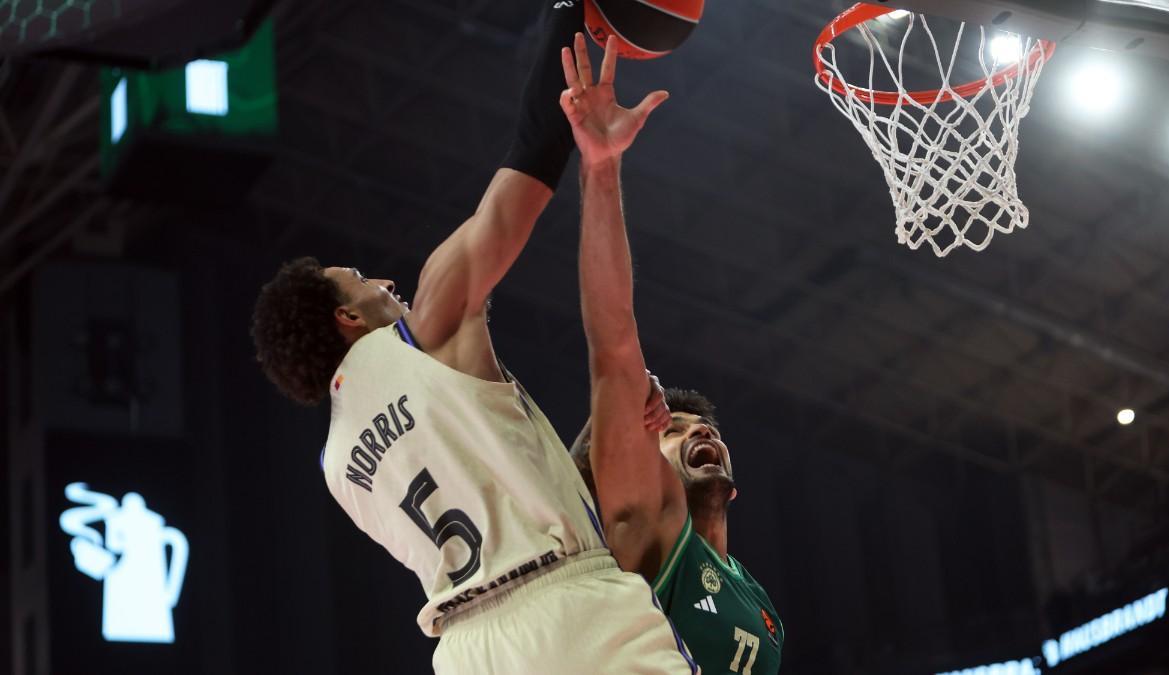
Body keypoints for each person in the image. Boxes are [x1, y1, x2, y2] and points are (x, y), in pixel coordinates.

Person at [250, 5, 693, 672]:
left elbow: (497, 468)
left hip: (468, 651)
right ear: (347, 319)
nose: (384, 281)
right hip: (570, 607)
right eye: (361, 279)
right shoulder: (421, 327)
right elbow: (527, 170)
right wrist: (574, 17)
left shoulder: (339, 465)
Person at [564, 28, 785, 674]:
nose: (702, 433)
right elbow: (613, 343)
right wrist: (601, 171)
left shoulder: (761, 603)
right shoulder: (655, 522)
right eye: (678, 427)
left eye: (707, 428)